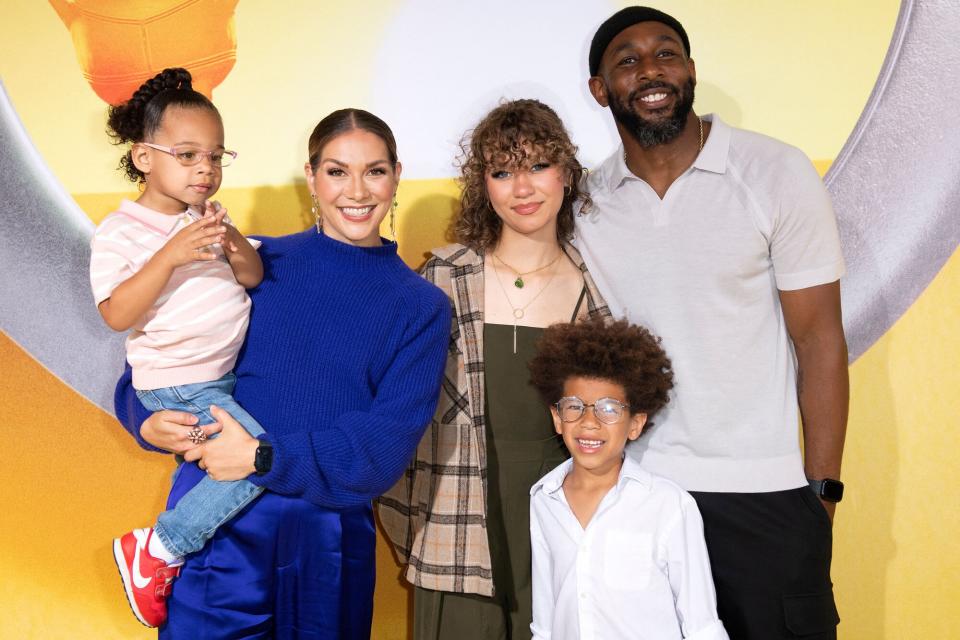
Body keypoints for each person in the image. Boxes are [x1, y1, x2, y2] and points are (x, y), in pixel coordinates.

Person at [114, 107, 450, 638]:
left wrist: (262, 456)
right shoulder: (253, 258)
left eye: (375, 170)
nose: (357, 191)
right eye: (337, 171)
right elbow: (166, 357)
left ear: (396, 175)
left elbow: (384, 445)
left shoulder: (421, 306)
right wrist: (142, 420)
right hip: (215, 526)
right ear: (312, 177)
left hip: (328, 542)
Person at [575, 7, 849, 639]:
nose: (650, 69)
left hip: (768, 494)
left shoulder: (776, 172)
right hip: (637, 493)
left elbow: (820, 340)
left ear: (690, 69)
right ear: (599, 89)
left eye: (666, 53)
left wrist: (822, 492)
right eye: (627, 60)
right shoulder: (587, 202)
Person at [378, 99, 611, 639]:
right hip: (453, 524)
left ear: (567, 173)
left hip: (567, 529)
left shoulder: (596, 284)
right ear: (483, 185)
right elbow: (393, 408)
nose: (522, 188)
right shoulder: (443, 277)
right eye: (502, 171)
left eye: (537, 165)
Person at [90, 67, 265, 628]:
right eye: (187, 155)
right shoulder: (123, 231)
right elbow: (117, 313)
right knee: (254, 456)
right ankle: (159, 548)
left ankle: (164, 548)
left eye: (215, 157)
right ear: (145, 158)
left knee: (248, 456)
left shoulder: (208, 220)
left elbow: (254, 276)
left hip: (214, 379)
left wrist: (230, 238)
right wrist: (170, 254)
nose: (205, 170)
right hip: (177, 380)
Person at [527, 318, 728, 640]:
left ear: (635, 424)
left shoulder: (669, 506)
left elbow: (701, 624)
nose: (589, 422)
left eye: (609, 409)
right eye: (574, 407)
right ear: (557, 418)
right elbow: (545, 621)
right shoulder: (543, 499)